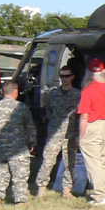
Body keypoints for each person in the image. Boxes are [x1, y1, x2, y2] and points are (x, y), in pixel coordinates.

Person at [0, 79, 36, 206]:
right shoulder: (21, 107)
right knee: (20, 175)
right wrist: (32, 142)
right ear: (16, 91)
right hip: (18, 149)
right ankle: (20, 200)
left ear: (3, 92)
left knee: (0, 175)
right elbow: (30, 127)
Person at [34, 62, 82, 198]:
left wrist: (78, 134)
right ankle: (41, 188)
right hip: (55, 132)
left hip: (71, 133)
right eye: (62, 76)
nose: (64, 79)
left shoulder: (78, 95)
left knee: (70, 162)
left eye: (67, 76)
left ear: (72, 77)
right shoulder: (53, 94)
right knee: (48, 160)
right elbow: (48, 110)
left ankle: (67, 190)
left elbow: (81, 115)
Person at [77, 57, 105, 206]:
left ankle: (99, 195)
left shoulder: (88, 90)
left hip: (92, 126)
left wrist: (81, 135)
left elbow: (84, 116)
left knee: (93, 163)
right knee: (101, 162)